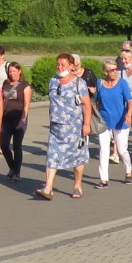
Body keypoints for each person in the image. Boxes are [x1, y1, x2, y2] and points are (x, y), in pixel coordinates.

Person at [35, 53, 92, 200]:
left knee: (77, 157)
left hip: (74, 128)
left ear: (71, 66)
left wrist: (86, 124)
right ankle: (48, 187)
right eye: (58, 64)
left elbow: (87, 105)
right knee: (51, 156)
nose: (59, 67)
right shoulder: (53, 81)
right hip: (56, 128)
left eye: (63, 65)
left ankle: (77, 185)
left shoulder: (79, 83)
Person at [93, 58, 132, 186]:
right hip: (104, 122)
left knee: (121, 150)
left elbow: (129, 100)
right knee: (103, 150)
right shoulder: (100, 83)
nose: (115, 72)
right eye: (112, 70)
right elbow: (95, 101)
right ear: (105, 72)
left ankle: (128, 170)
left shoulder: (122, 83)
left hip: (120, 121)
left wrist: (129, 113)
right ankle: (103, 179)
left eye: (116, 69)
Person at [0, 61, 31, 179]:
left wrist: (23, 118)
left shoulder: (25, 85)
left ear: (19, 71)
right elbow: (1, 101)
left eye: (14, 71)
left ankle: (16, 173)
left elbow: (26, 104)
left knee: (17, 146)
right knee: (4, 145)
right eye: (10, 71)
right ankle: (12, 167)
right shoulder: (6, 84)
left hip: (19, 119)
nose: (12, 73)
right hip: (6, 119)